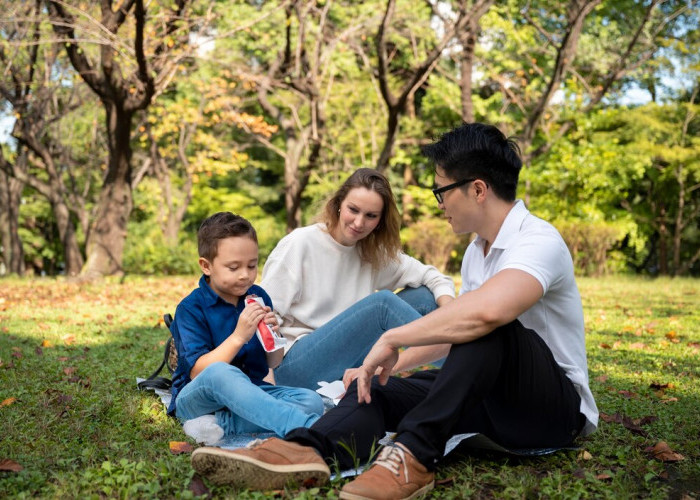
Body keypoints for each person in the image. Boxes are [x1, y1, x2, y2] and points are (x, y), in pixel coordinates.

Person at [189, 123, 599, 499]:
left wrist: (391, 338)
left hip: (550, 409)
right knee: (373, 386)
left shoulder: (538, 241)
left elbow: (486, 318)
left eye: (442, 191)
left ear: (477, 189)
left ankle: (413, 457)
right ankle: (307, 451)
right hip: (488, 401)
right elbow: (457, 336)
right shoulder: (477, 252)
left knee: (487, 323)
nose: (439, 203)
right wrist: (381, 364)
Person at [259, 168, 455, 390]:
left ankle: (464, 356)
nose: (359, 223)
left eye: (371, 216)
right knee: (382, 304)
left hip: (348, 360)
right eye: (353, 210)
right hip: (294, 366)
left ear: (380, 221)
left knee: (424, 296)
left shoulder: (371, 252)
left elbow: (433, 276)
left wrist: (450, 313)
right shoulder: (300, 243)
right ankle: (466, 358)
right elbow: (263, 316)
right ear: (339, 204)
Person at [167, 212, 324, 444]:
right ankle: (307, 428)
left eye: (252, 266)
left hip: (249, 391)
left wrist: (274, 335)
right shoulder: (191, 308)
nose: (245, 275)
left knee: (311, 401)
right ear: (206, 266)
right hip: (197, 399)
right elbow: (200, 372)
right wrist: (239, 336)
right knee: (222, 372)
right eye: (233, 267)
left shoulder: (258, 296)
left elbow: (274, 362)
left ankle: (220, 424)